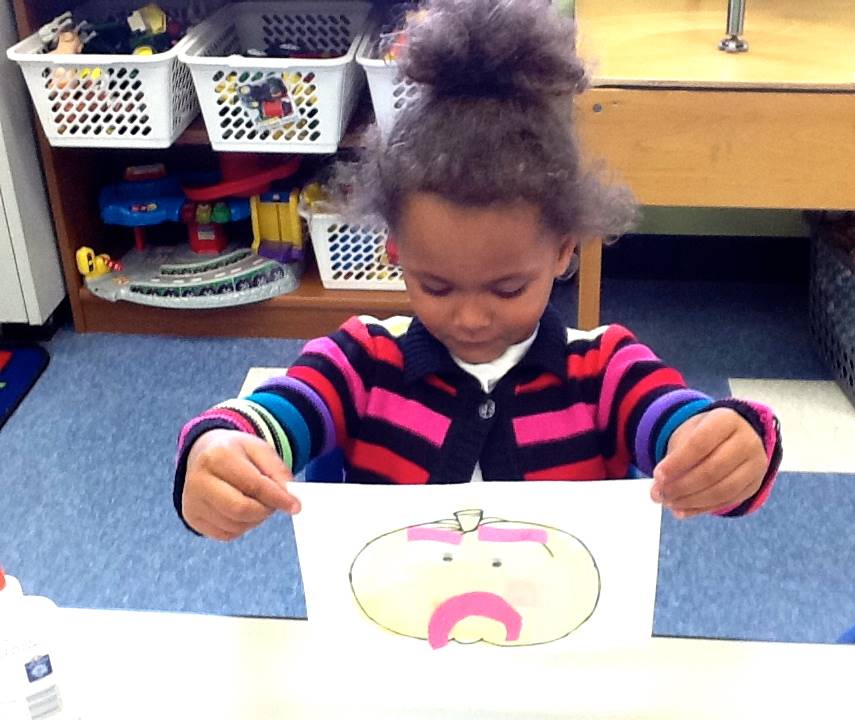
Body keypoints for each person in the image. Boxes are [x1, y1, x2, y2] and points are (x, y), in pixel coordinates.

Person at [174, 0, 782, 541]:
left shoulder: (604, 370)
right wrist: (218, 449)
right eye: (434, 285)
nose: (468, 318)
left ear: (564, 250)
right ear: (395, 251)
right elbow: (269, 415)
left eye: (508, 287)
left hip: (558, 649)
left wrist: (728, 443)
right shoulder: (359, 362)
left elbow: (681, 421)